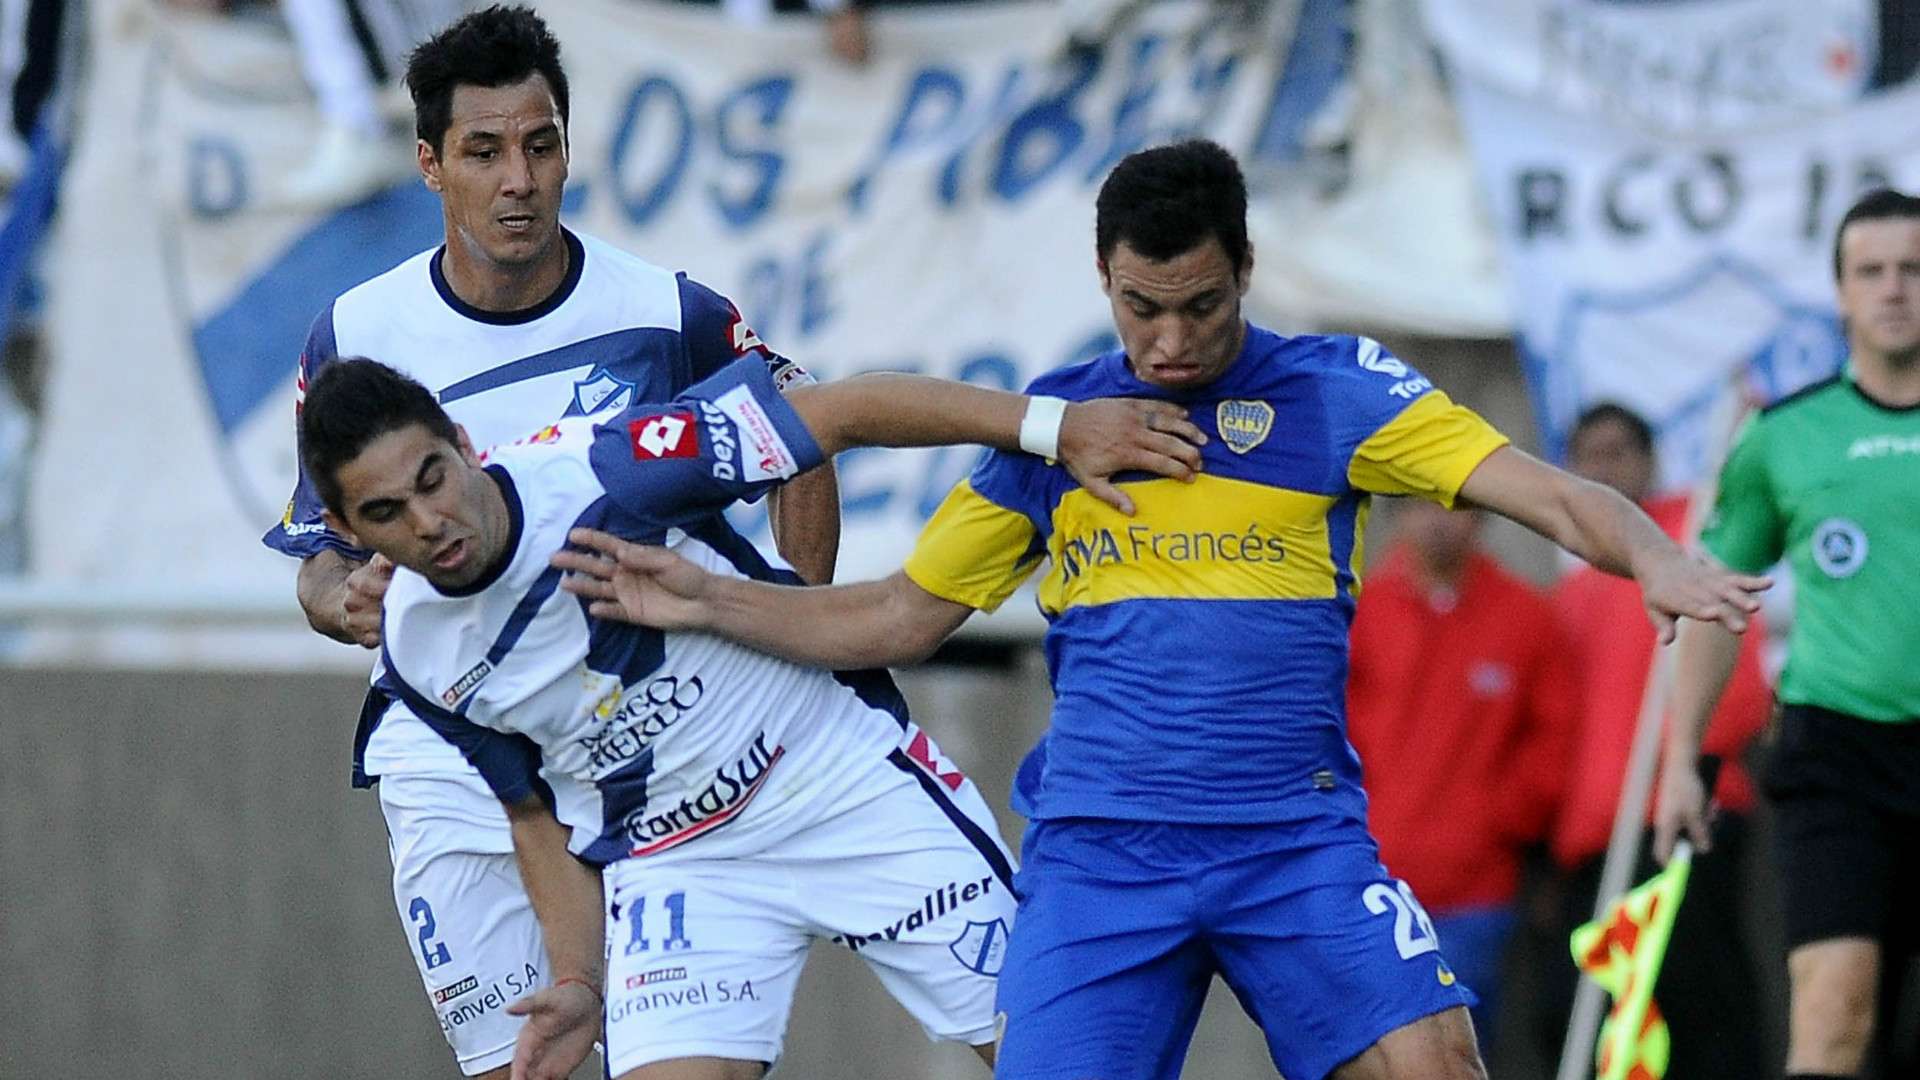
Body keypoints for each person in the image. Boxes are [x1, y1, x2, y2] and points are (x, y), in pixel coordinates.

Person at [553, 139, 1771, 1080]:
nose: (1171, 339)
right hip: (1102, 857)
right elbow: (895, 619)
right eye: (1142, 308)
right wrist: (708, 598)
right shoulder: (1055, 428)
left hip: (1293, 845)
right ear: (1104, 279)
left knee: (1432, 1060)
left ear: (1246, 270)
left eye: (1201, 305)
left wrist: (1651, 559)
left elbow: (1546, 491)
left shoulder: (1342, 394)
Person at [296, 350, 1206, 1080]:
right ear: (348, 528)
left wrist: (1058, 427)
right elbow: (534, 817)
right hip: (683, 865)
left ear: (462, 441)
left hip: (838, 785)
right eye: (387, 512)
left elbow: (839, 412)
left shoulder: (613, 467)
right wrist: (577, 980)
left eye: (433, 477)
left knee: (1059, 1065)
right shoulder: (416, 653)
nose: (430, 521)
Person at [259, 8, 843, 1076]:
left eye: (540, 145)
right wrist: (340, 598)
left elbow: (804, 434)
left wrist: (797, 627)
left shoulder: (669, 314)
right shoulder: (354, 336)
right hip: (456, 762)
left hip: (653, 747)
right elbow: (318, 551)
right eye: (484, 152)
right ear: (430, 164)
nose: (518, 179)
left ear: (569, 147)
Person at [1657, 187, 1920, 1080]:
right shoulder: (1785, 436)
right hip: (1838, 753)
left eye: (1913, 270)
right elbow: (1716, 596)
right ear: (1841, 293)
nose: (1895, 289)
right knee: (1833, 1008)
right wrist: (1681, 758)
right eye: (1872, 272)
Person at [1543, 401, 1771, 1079]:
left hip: (1684, 818)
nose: (1604, 470)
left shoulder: (1692, 543)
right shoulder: (1578, 593)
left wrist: (1688, 768)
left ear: (1648, 460)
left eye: (1618, 452)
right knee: (1596, 1022)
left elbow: (1740, 685)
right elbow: (1560, 730)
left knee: (1701, 1009)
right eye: (1589, 456)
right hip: (1595, 842)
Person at [1345, 499, 1575, 1054]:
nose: (1439, 519)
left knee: (1461, 1050)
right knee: (1369, 1053)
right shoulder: (1359, 611)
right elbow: (1326, 735)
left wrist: (1497, 819)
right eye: (1420, 505)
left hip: (1478, 889)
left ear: (1483, 517)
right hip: (1370, 886)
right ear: (1396, 515)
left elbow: (1555, 737)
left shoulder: (1525, 615)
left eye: (1457, 506)